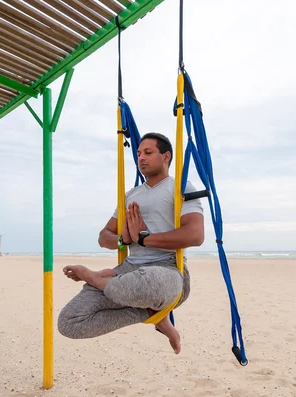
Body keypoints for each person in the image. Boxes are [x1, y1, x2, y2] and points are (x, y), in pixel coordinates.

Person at [58, 132, 205, 354]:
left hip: (167, 269)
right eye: (138, 154)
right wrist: (122, 240)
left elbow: (195, 235)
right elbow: (103, 236)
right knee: (69, 322)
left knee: (147, 283)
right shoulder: (129, 195)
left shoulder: (181, 187)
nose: (141, 158)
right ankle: (151, 314)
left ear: (166, 157)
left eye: (148, 152)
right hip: (129, 271)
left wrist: (144, 239)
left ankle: (94, 277)